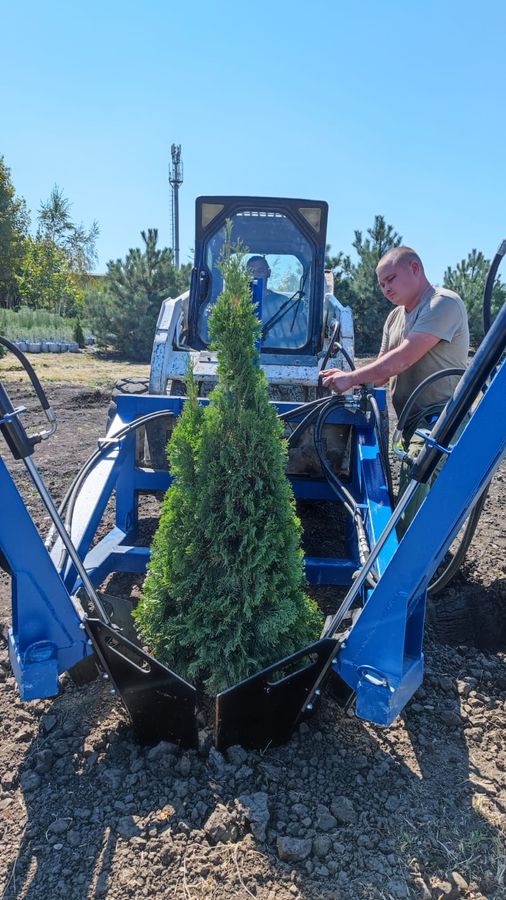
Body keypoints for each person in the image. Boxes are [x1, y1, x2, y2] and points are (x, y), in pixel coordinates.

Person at [321, 246, 470, 533]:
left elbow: (402, 359)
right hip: (411, 422)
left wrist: (350, 377)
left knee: (418, 473)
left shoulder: (443, 304)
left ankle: (400, 568)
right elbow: (379, 372)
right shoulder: (395, 317)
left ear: (415, 268)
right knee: (410, 492)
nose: (386, 289)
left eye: (390, 279)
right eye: (381, 284)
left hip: (442, 418)